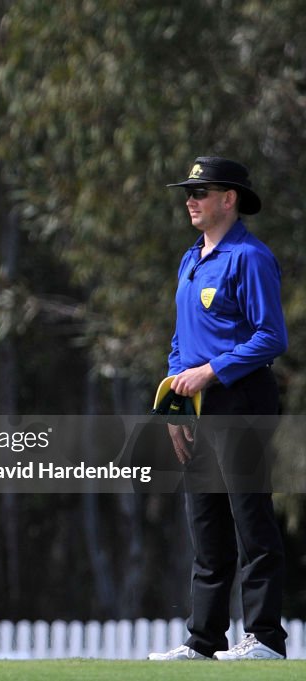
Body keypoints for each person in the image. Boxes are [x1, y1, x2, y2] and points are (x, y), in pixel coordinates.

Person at [148, 157, 288, 661]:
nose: (190, 199)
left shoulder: (250, 257)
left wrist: (211, 371)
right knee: (205, 523)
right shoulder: (191, 259)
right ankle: (205, 640)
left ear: (228, 199)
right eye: (189, 191)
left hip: (242, 398)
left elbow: (272, 336)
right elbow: (180, 339)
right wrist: (176, 404)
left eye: (201, 191)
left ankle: (267, 639)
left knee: (251, 520)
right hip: (197, 404)